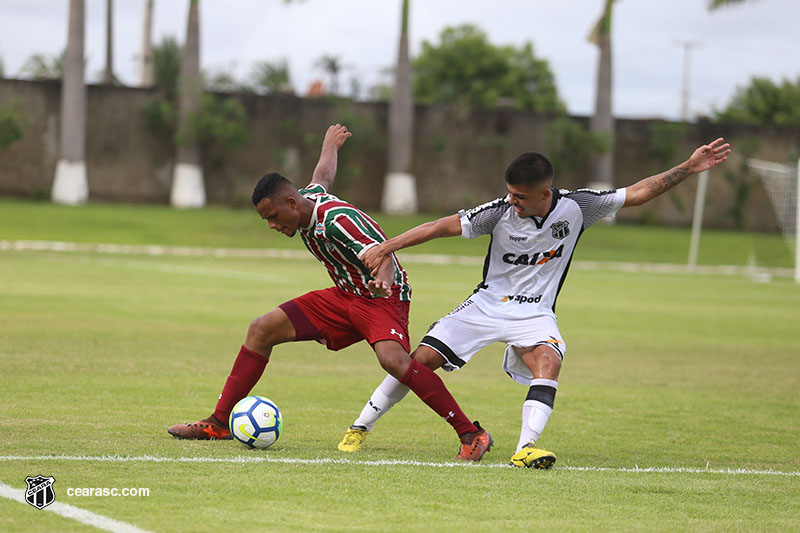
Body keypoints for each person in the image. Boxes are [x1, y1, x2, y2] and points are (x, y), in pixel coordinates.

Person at [337, 138, 731, 468]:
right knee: (419, 361)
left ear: (545, 193)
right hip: (486, 305)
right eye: (510, 193)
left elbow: (639, 193)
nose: (512, 202)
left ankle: (525, 448)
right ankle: (359, 427)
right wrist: (386, 247)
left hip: (535, 313)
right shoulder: (498, 212)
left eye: (520, 196)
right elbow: (438, 227)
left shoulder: (578, 207)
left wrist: (688, 167)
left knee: (549, 360)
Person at [168, 124, 493, 461]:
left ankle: (471, 433)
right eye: (266, 220)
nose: (273, 226)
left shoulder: (339, 222)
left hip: (382, 298)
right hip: (344, 296)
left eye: (274, 217)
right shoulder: (306, 201)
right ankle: (219, 423)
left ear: (292, 203)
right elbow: (322, 176)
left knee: (394, 361)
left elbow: (383, 256)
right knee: (261, 328)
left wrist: (381, 283)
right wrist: (330, 145)